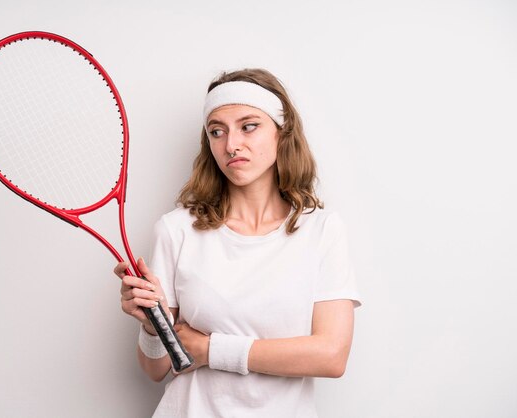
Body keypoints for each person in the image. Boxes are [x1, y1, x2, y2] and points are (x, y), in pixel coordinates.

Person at [114, 68, 362, 417]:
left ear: (282, 131)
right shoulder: (176, 230)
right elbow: (156, 369)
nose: (231, 144)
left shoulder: (321, 230)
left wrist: (211, 349)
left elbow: (331, 355)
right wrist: (149, 324)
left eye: (248, 126)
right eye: (217, 131)